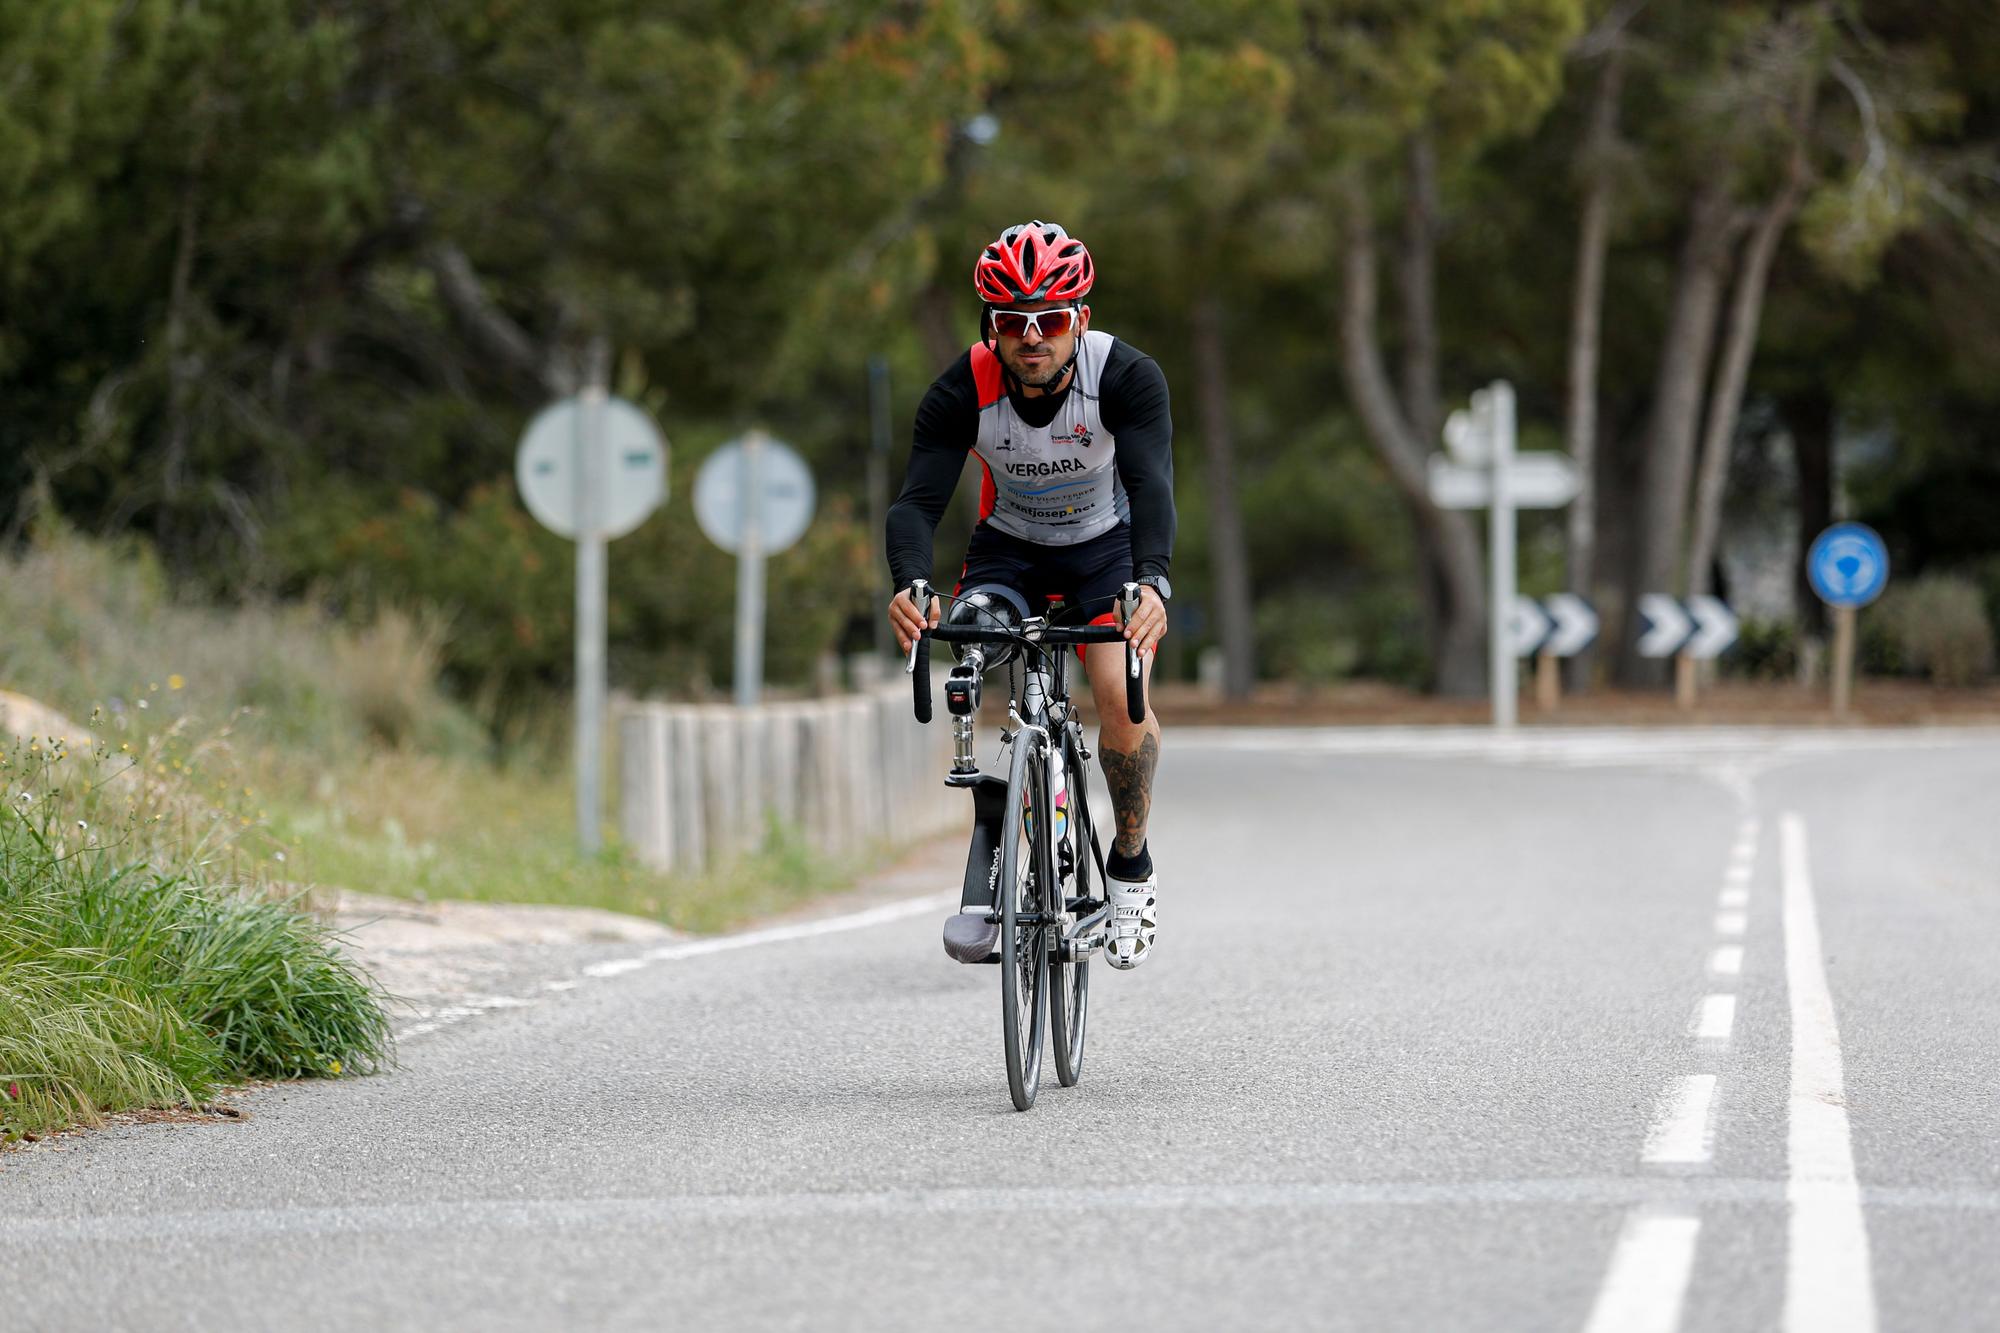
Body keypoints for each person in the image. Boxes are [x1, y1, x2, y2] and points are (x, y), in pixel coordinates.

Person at [886, 221, 1174, 971]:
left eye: (1050, 320)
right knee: (975, 646)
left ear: (1079, 317)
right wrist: (910, 584)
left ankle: (1131, 865)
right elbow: (916, 504)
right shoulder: (961, 389)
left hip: (1105, 548)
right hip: (1007, 550)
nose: (1032, 337)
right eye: (1013, 324)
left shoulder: (1124, 376)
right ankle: (1002, 822)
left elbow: (1151, 486)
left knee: (1120, 693)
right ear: (992, 327)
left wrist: (1154, 580)